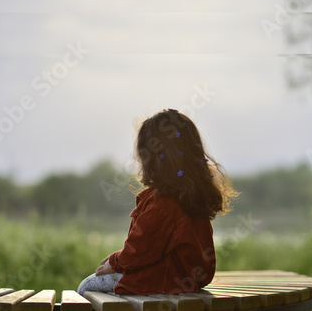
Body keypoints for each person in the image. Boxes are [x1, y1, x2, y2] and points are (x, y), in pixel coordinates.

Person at [77, 109, 237, 295]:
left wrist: (114, 263)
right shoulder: (192, 196)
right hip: (187, 281)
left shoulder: (163, 204)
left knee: (87, 286)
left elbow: (138, 250)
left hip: (160, 280)